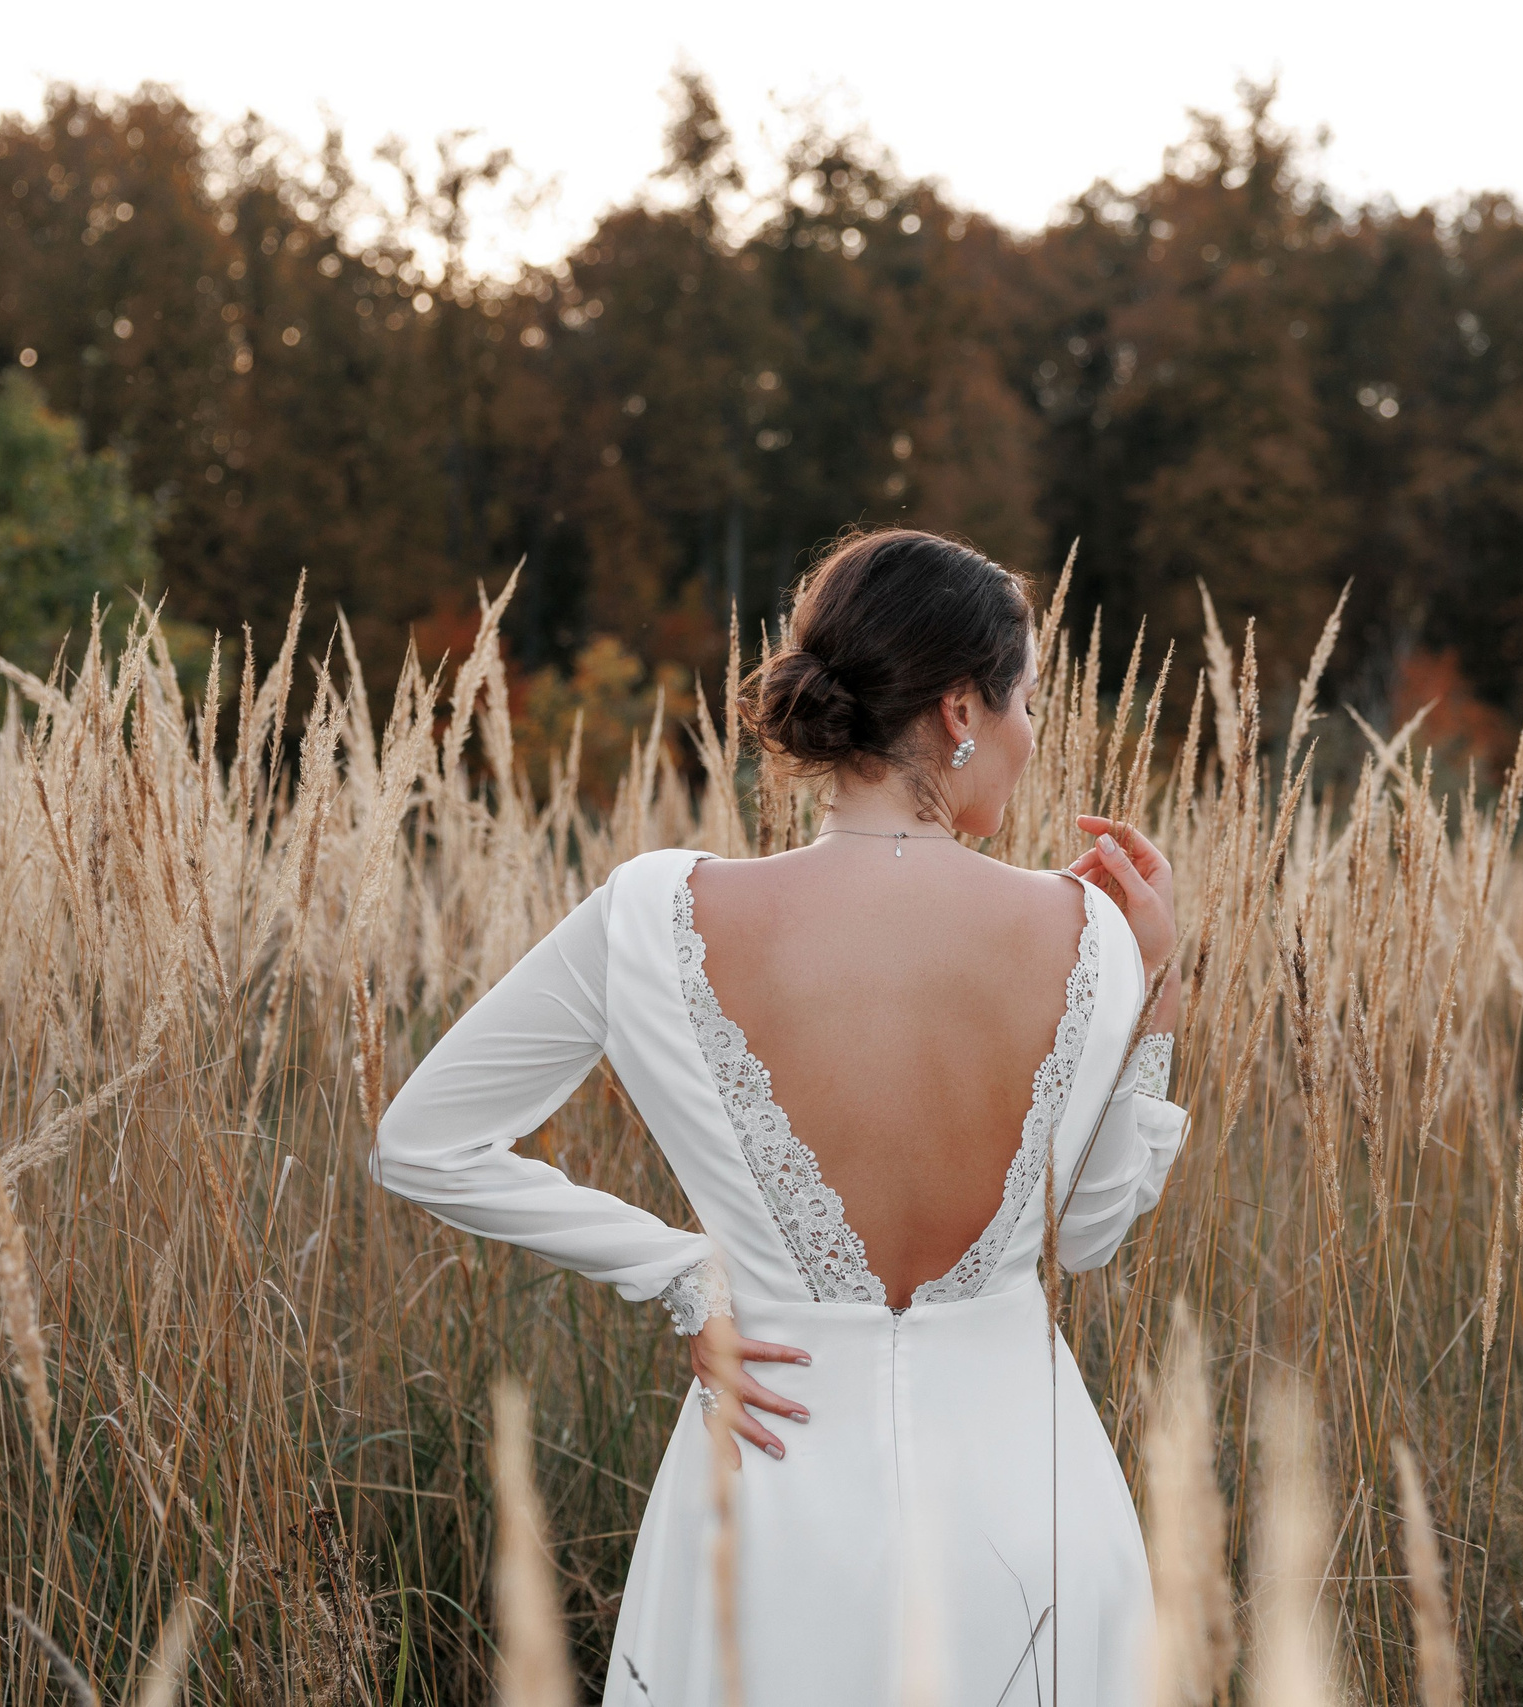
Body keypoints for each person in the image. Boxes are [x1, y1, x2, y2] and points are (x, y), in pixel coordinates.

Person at [369, 529, 1189, 1706]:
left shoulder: (656, 912)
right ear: (961, 709)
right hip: (1031, 1508)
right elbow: (1096, 1235)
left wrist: (682, 1275)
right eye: (1028, 699)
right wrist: (1154, 992)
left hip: (770, 1486)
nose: (1031, 732)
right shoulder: (1098, 935)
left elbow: (421, 1140)